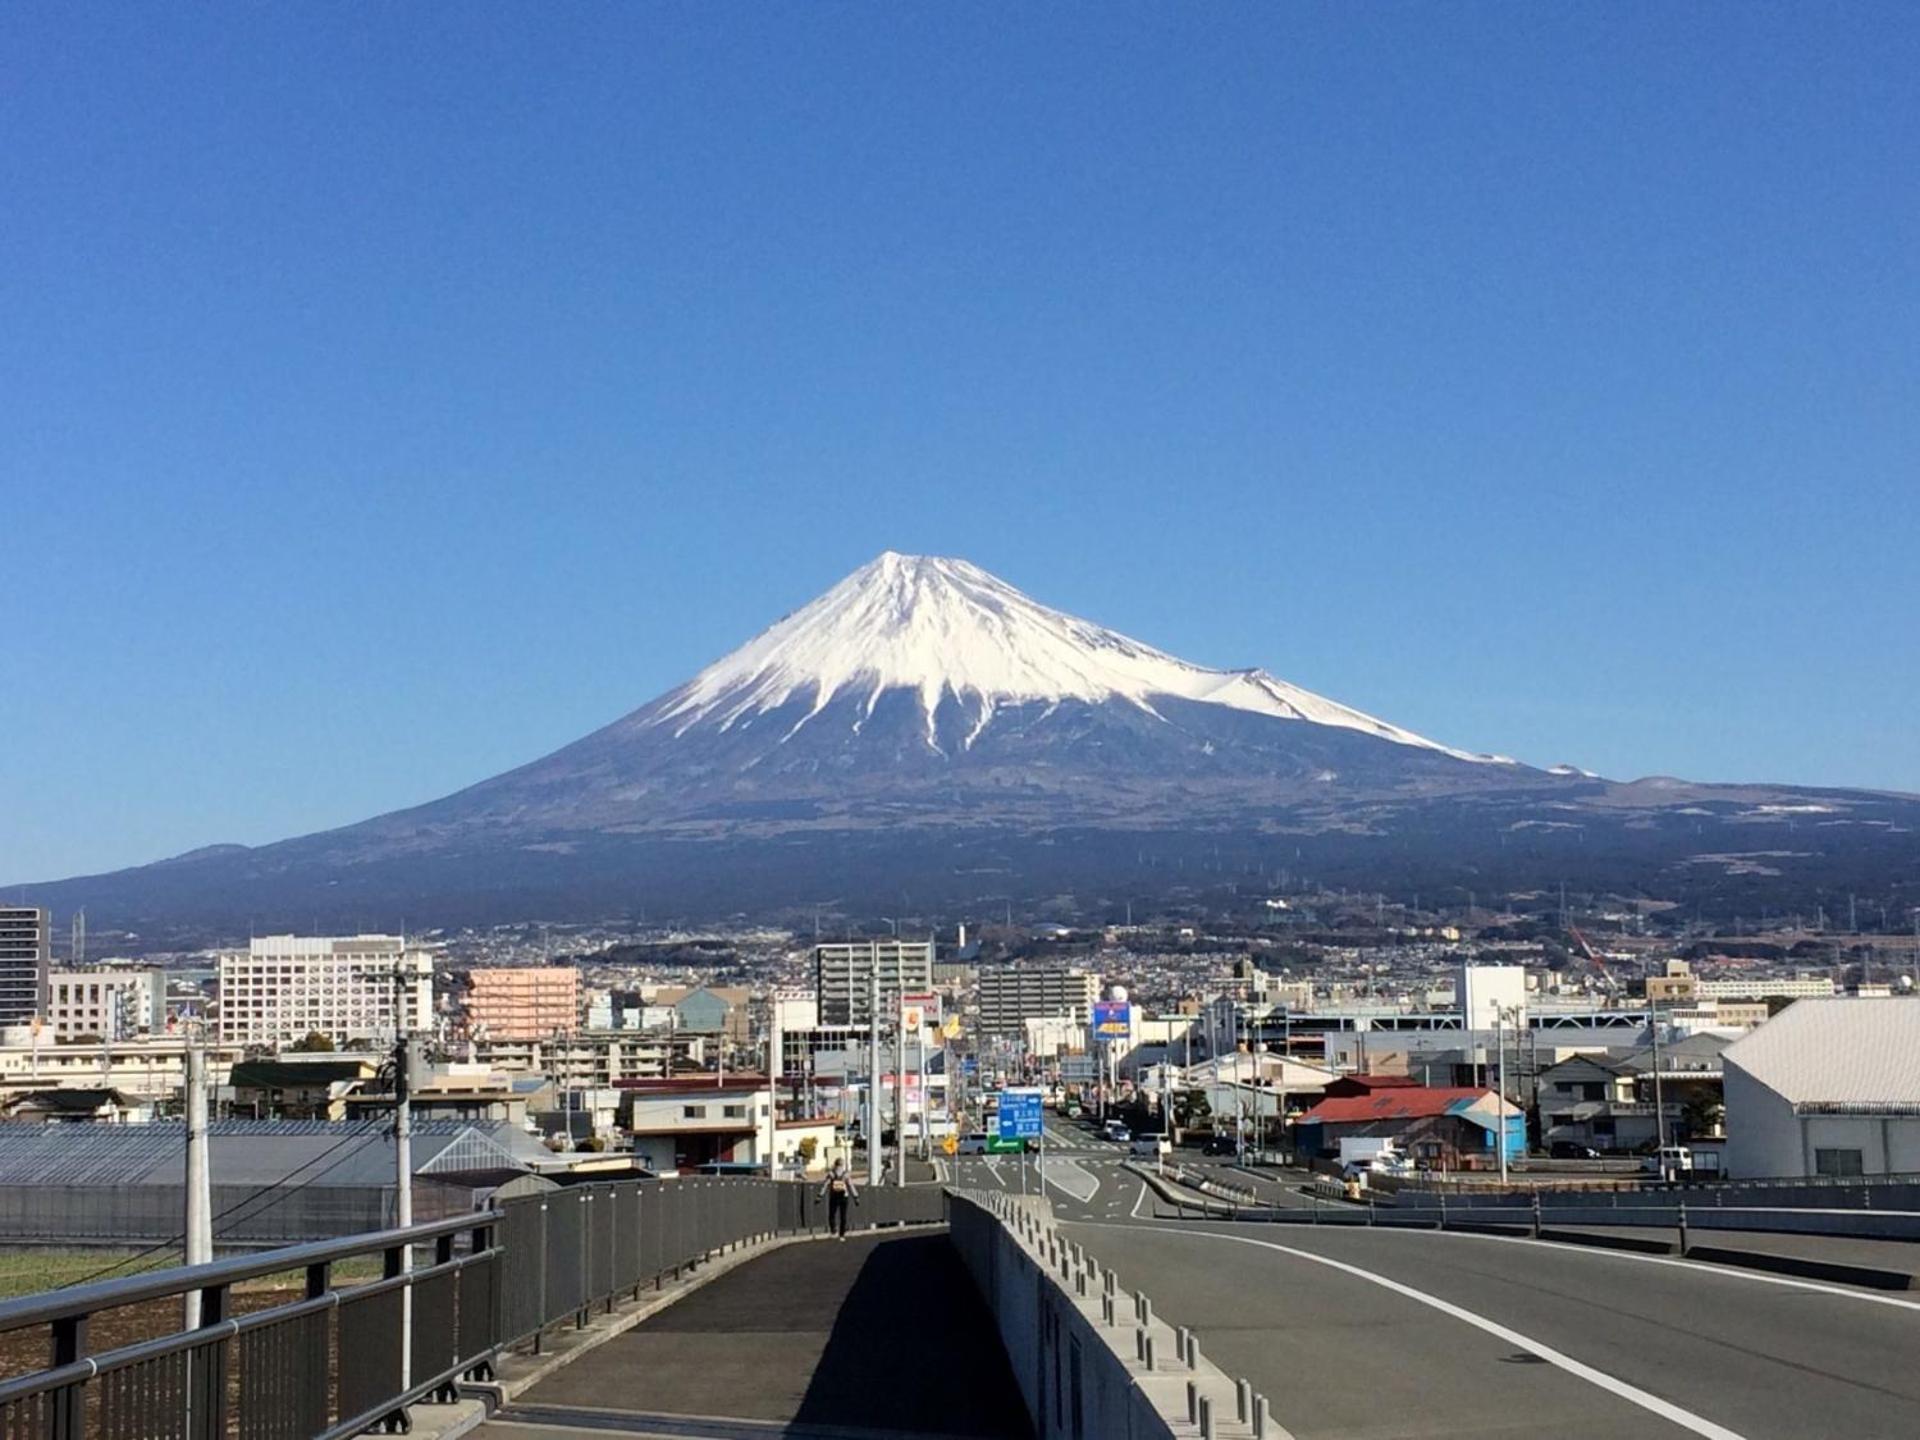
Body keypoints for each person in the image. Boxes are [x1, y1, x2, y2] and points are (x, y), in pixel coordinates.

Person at [820, 1159, 859, 1239]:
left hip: (834, 1196)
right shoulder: (846, 1175)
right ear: (842, 1165)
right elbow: (851, 1186)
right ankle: (842, 1234)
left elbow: (825, 1185)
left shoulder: (831, 1174)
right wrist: (856, 1197)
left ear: (835, 1164)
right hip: (844, 1196)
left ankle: (833, 1229)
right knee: (843, 1216)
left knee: (832, 1215)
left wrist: (820, 1195)